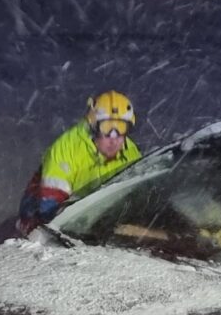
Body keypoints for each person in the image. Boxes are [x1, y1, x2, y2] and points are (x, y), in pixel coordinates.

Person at [17, 90, 142, 235]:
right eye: (107, 128)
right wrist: (94, 225)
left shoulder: (131, 153)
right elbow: (49, 208)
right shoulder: (66, 148)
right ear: (94, 127)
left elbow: (140, 199)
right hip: (42, 222)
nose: (114, 138)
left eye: (121, 128)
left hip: (99, 224)